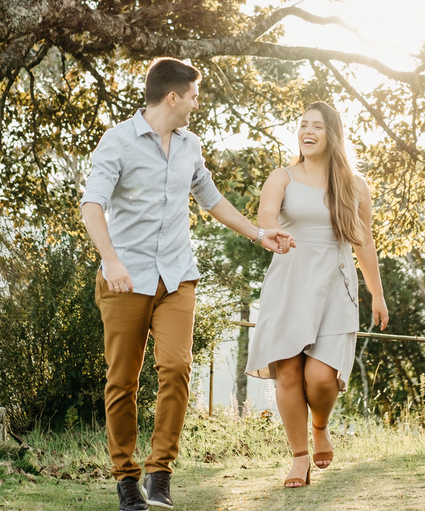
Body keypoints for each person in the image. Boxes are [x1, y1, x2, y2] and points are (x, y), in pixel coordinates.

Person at [81, 58, 294, 511]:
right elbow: (92, 205)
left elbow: (211, 200)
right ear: (173, 97)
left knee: (176, 368)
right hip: (126, 280)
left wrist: (260, 234)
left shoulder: (190, 145)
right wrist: (111, 260)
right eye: (195, 95)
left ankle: (160, 475)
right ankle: (125, 479)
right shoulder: (117, 142)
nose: (198, 103)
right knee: (122, 381)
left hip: (178, 276)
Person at [245, 101, 389, 489]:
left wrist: (377, 293)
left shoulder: (354, 185)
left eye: (317, 126)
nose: (307, 132)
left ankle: (320, 426)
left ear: (332, 134)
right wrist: (273, 233)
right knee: (288, 373)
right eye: (303, 125)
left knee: (322, 378)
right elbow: (266, 218)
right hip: (290, 280)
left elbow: (365, 243)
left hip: (335, 285)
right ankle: (298, 457)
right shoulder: (283, 176)